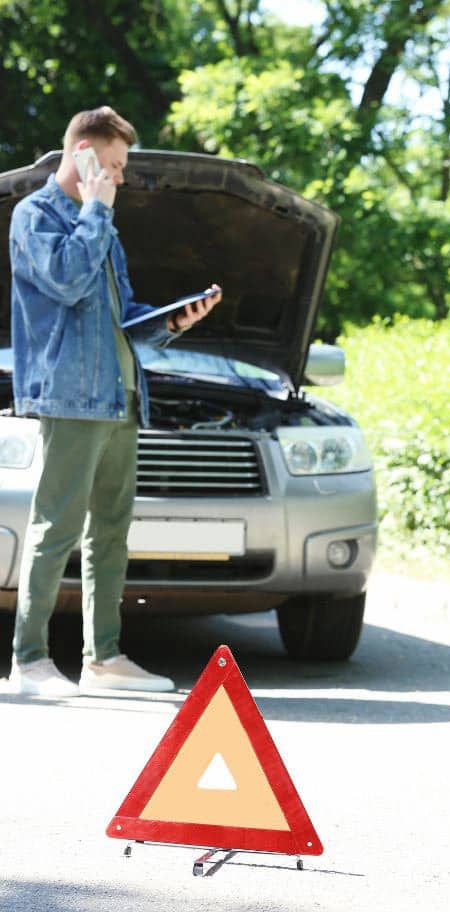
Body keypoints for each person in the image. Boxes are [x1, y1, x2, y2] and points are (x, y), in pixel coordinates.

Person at [8, 106, 222, 697]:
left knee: (111, 531)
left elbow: (124, 319)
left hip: (120, 394)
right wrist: (96, 210)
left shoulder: (101, 224)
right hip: (72, 398)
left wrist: (177, 320)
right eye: (115, 165)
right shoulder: (36, 216)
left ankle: (102, 659)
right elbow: (68, 281)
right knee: (57, 529)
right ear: (81, 152)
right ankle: (28, 662)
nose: (121, 178)